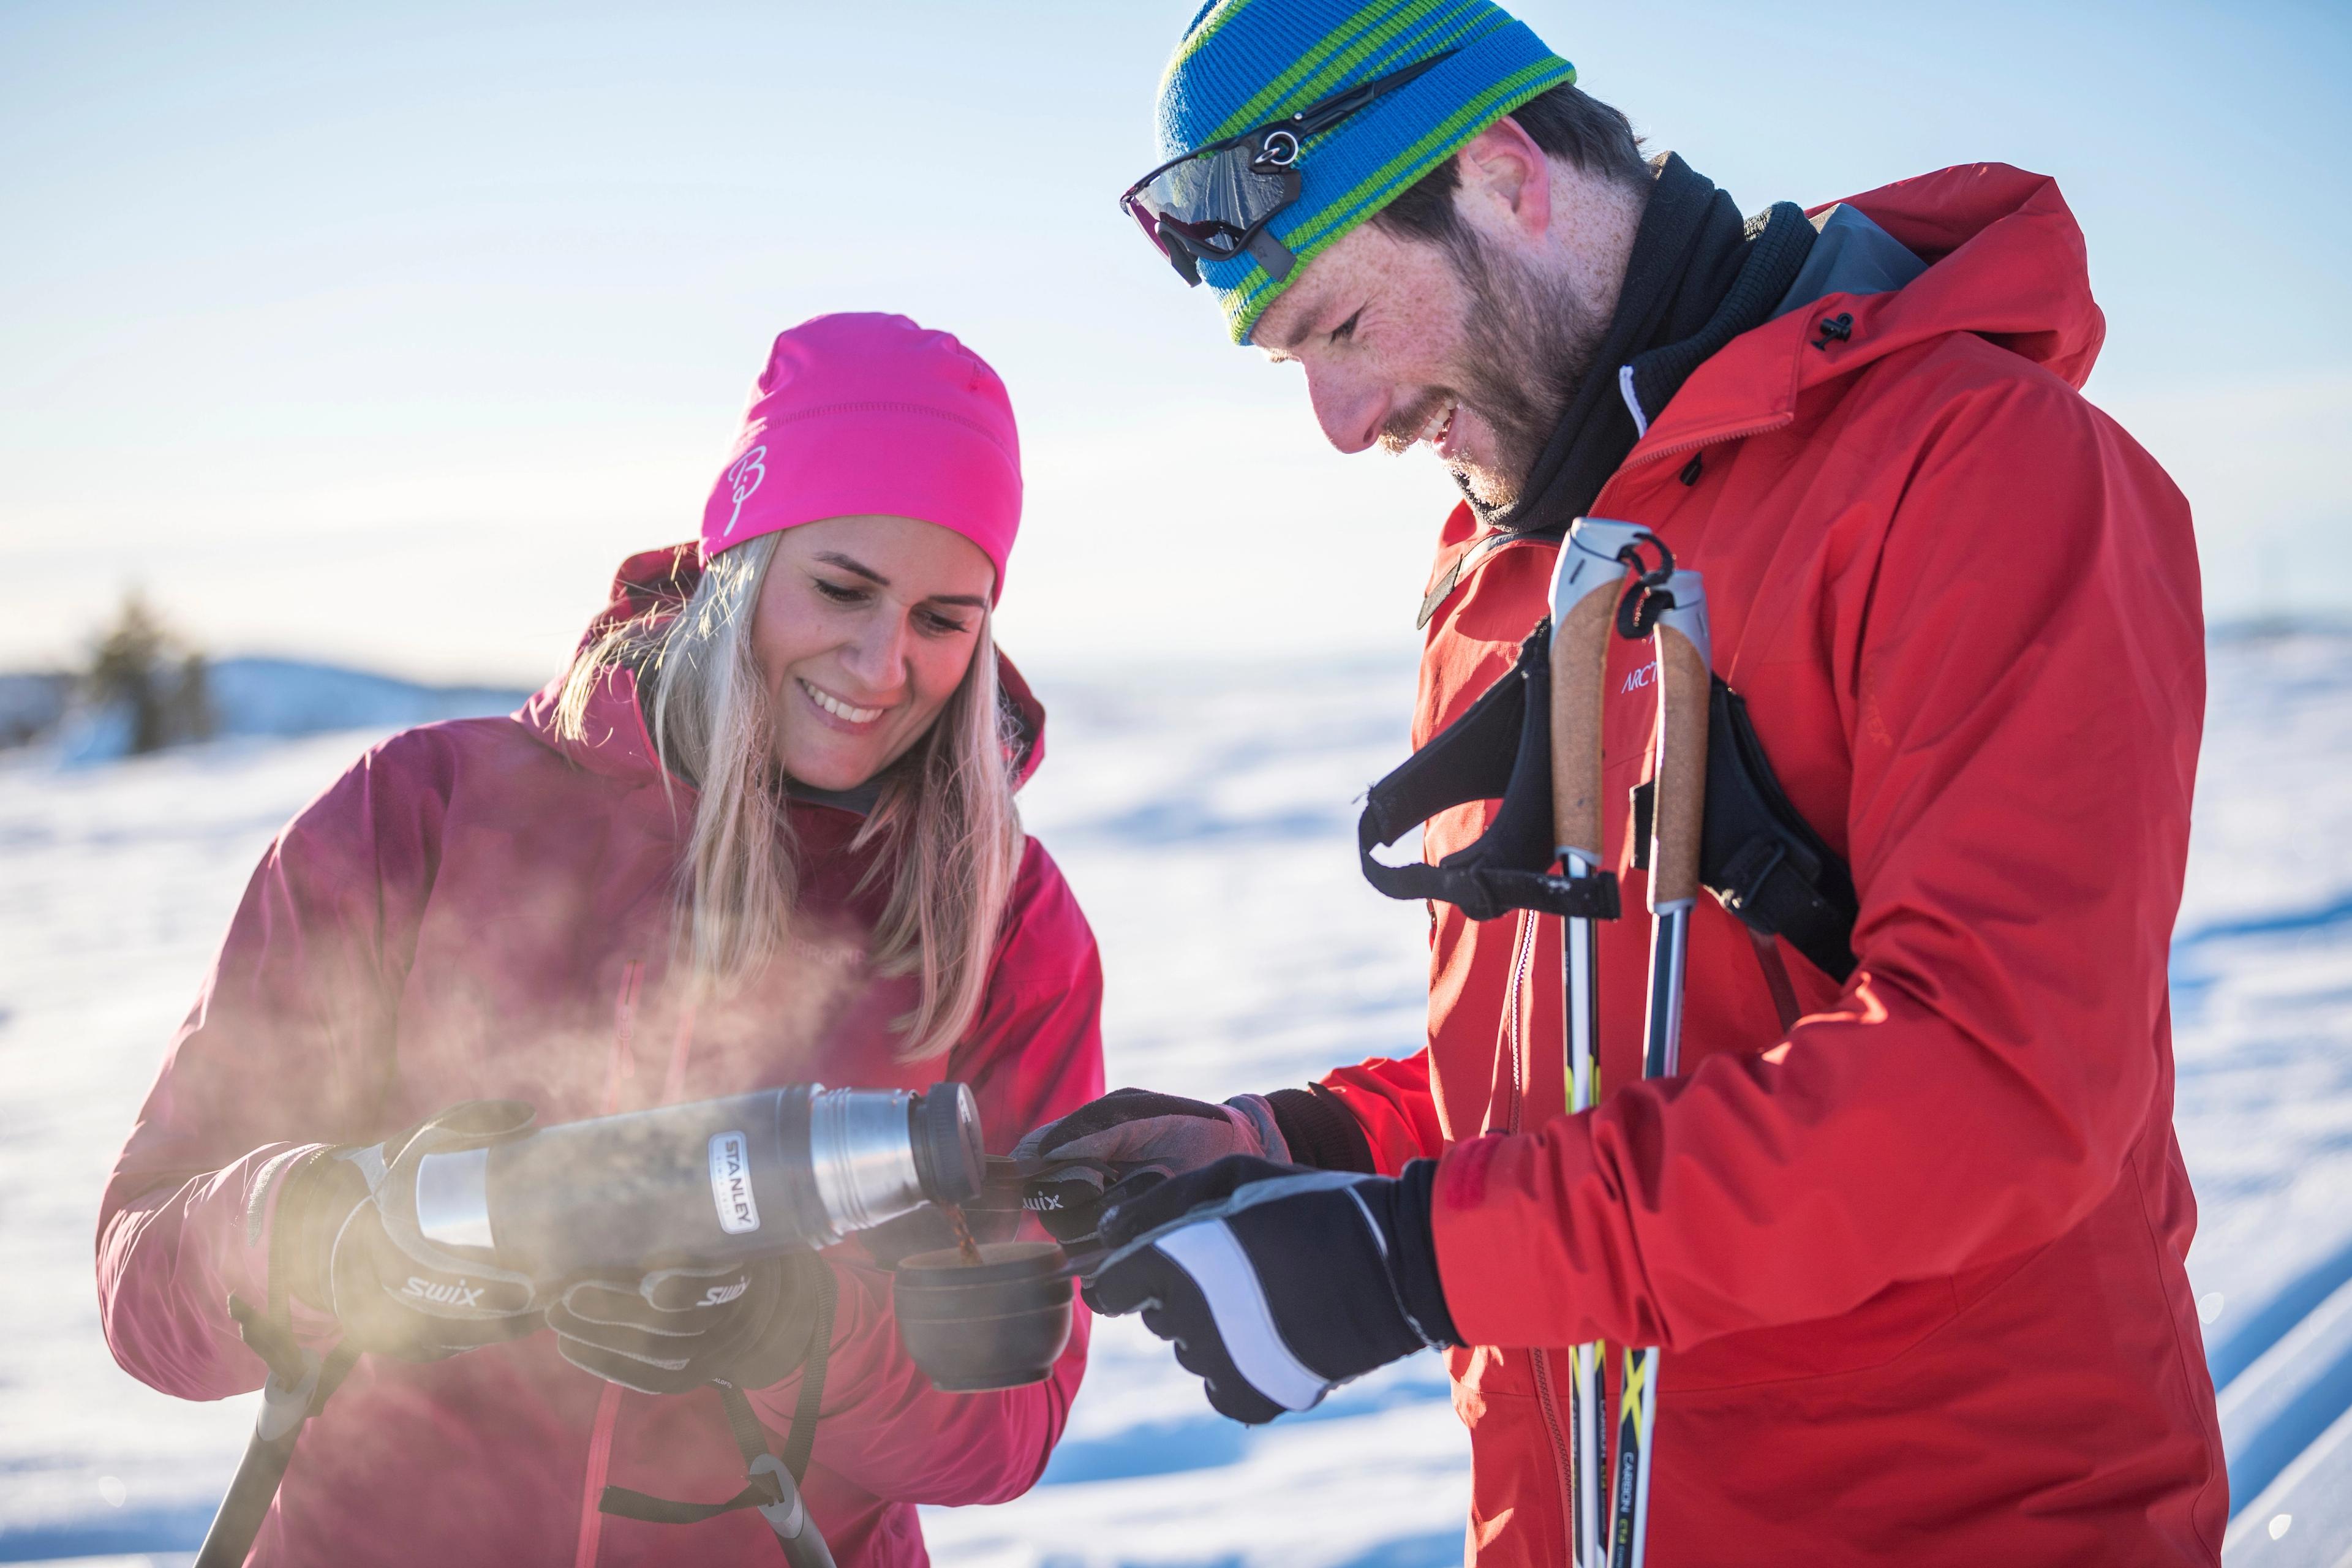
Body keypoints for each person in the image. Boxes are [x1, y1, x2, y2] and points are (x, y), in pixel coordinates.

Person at [1020, 2, 2222, 1564]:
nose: (1341, 423)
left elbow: (2000, 1086)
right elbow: (1579, 1075)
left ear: (1509, 176)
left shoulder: (1984, 470)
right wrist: (1304, 1151)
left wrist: (1415, 1260)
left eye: (1338, 326)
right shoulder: (1510, 565)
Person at [98, 312, 1106, 1567]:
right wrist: (339, 1232)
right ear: (740, 556)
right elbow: (145, 1293)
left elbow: (1015, 1416)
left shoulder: (994, 911)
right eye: (840, 588)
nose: (881, 661)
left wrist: (813, 1326)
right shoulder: (423, 813)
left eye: (945, 618)